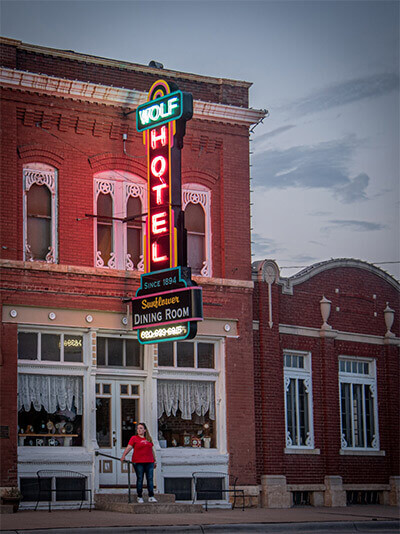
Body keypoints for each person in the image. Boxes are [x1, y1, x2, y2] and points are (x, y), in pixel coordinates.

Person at [121, 422, 157, 503]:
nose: (139, 430)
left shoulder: (148, 439)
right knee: (140, 478)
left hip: (149, 461)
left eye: (141, 428)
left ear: (144, 430)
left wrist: (155, 460)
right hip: (138, 462)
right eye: (138, 428)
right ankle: (139, 496)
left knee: (150, 479)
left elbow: (151, 450)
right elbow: (129, 447)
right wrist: (123, 455)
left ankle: (151, 496)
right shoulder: (134, 438)